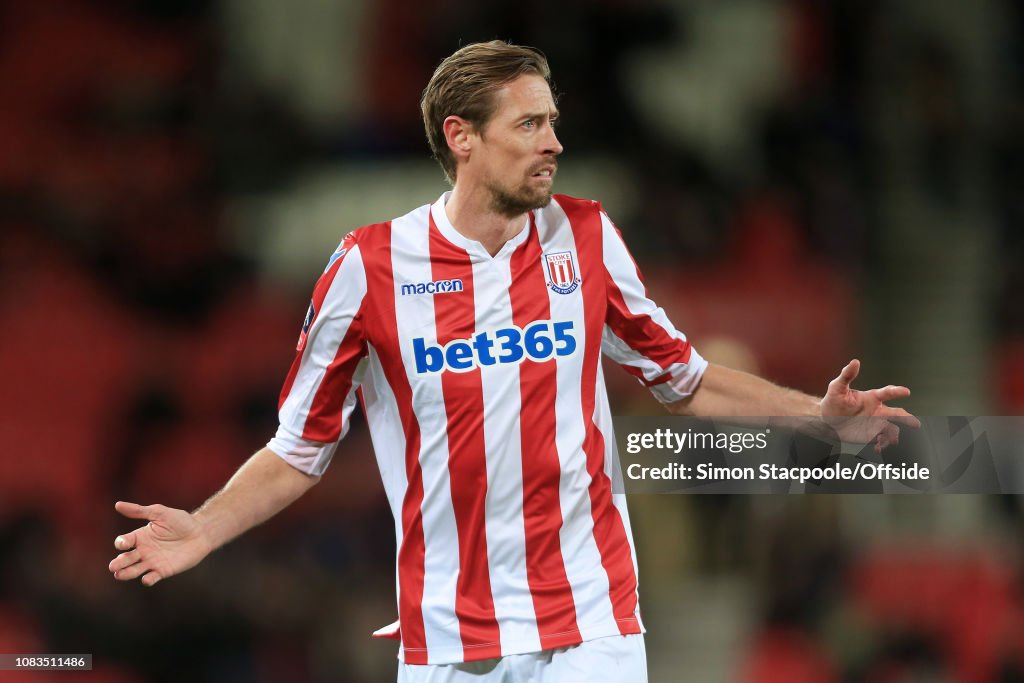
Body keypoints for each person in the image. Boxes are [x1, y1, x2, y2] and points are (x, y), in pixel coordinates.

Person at [109, 41, 916, 682]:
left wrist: (816, 412)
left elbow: (685, 379)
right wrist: (206, 527)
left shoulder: (588, 236)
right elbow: (299, 449)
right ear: (462, 137)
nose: (554, 142)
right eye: (529, 123)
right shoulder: (370, 268)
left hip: (591, 623)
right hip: (449, 639)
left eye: (554, 121)